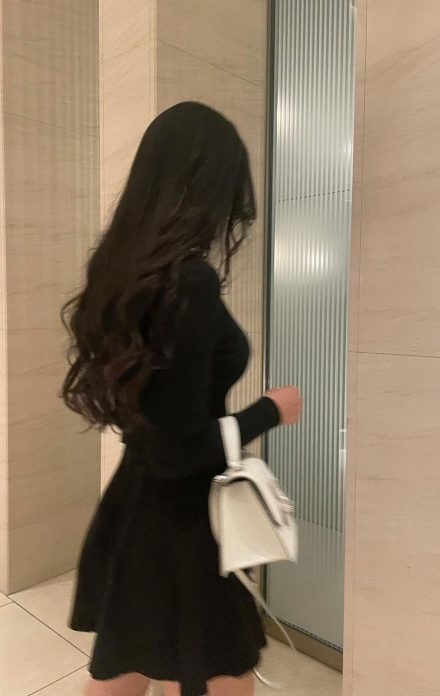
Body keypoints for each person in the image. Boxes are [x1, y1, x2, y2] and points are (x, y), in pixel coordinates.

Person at [62, 102, 303, 696]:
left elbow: (157, 426)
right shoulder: (188, 281)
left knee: (133, 665)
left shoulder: (123, 270)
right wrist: (270, 410)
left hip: (138, 505)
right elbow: (178, 448)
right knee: (219, 669)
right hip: (182, 520)